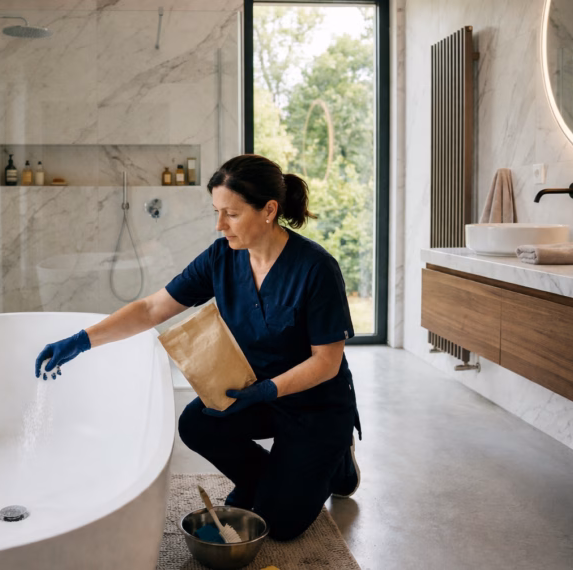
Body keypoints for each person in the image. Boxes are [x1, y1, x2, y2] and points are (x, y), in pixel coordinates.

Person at [34, 154, 362, 541]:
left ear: (270, 210)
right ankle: (273, 480)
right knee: (196, 423)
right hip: (256, 393)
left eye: (232, 214)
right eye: (217, 211)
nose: (220, 224)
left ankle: (337, 458)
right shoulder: (222, 256)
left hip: (315, 405)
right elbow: (153, 307)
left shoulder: (315, 269)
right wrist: (83, 340)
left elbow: (326, 362)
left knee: (281, 525)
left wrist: (268, 389)